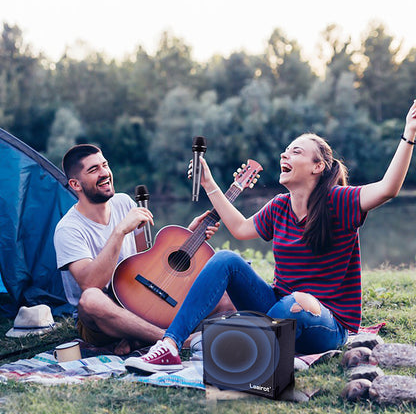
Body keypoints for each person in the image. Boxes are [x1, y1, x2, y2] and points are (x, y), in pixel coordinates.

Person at [125, 100, 416, 374]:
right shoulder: (279, 206)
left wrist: (409, 134)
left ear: (318, 167)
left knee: (297, 302)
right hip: (277, 308)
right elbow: (240, 229)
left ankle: (245, 348)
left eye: (296, 152)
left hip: (326, 323)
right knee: (227, 258)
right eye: (286, 151)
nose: (284, 155)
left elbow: (388, 188)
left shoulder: (340, 201)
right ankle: (170, 345)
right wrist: (209, 183)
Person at [53, 144, 234, 355]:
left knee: (224, 299)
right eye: (93, 170)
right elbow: (90, 283)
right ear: (75, 184)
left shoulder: (123, 202)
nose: (105, 173)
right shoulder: (68, 229)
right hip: (106, 316)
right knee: (90, 299)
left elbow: (147, 259)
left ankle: (140, 337)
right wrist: (120, 231)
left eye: (105, 165)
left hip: (141, 297)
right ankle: (175, 339)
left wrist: (188, 236)